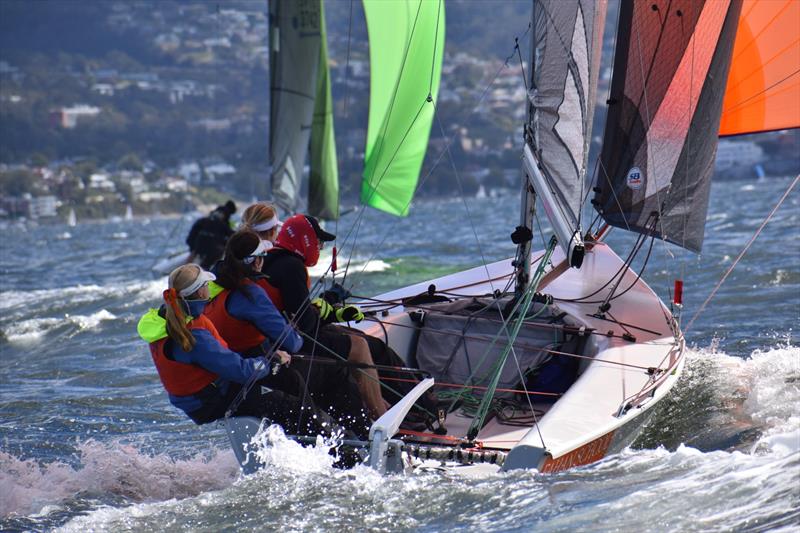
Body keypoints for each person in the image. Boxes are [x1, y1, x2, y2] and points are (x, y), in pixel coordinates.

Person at [136, 263, 335, 438]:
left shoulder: (165, 322)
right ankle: (338, 451)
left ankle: (296, 439)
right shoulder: (193, 337)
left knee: (285, 384)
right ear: (200, 293)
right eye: (206, 286)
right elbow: (241, 371)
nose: (209, 289)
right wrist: (271, 362)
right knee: (290, 406)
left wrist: (266, 361)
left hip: (201, 400)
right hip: (213, 402)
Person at [204, 229, 371, 435]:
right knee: (335, 374)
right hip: (253, 367)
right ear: (256, 262)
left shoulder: (213, 284)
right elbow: (293, 343)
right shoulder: (249, 294)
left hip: (228, 378)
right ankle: (359, 439)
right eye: (262, 257)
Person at [259, 214, 395, 420]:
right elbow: (307, 326)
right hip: (290, 344)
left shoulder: (271, 258)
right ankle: (382, 419)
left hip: (274, 340)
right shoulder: (292, 266)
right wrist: (331, 311)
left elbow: (296, 312)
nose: (320, 247)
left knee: (346, 339)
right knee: (358, 346)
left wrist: (329, 312)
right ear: (304, 240)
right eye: (318, 241)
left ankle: (374, 403)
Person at [185, 200, 237, 269]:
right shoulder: (224, 223)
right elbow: (230, 235)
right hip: (213, 248)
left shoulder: (205, 220)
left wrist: (192, 248)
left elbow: (192, 234)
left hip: (199, 244)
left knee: (194, 262)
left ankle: (185, 271)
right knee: (206, 266)